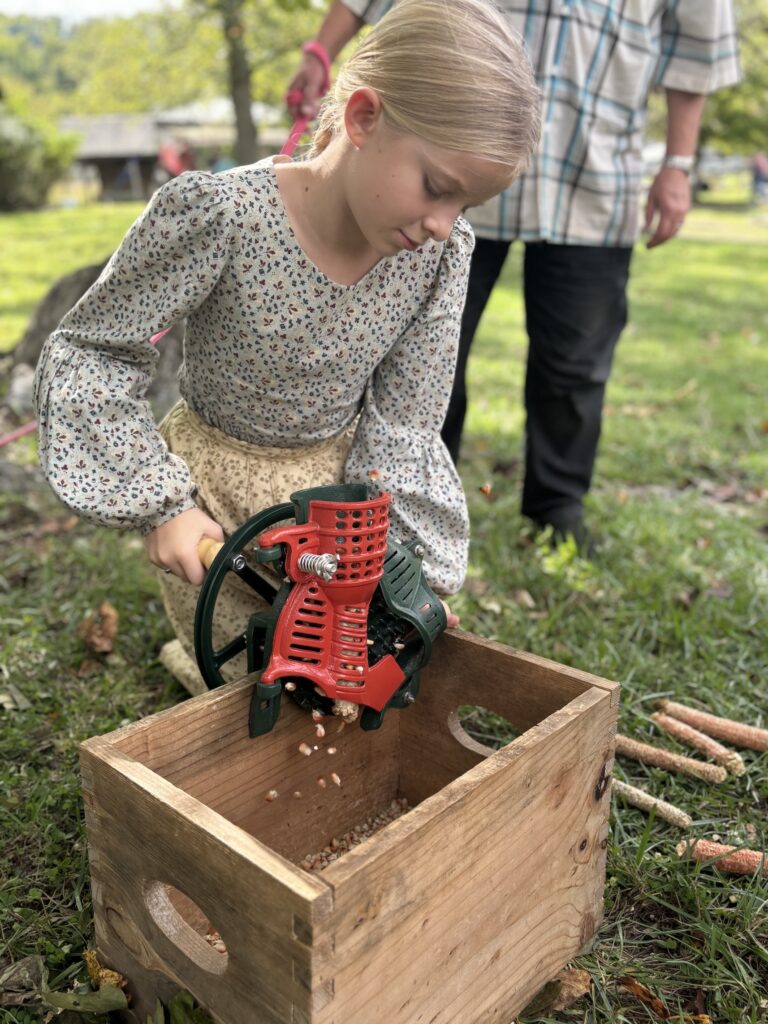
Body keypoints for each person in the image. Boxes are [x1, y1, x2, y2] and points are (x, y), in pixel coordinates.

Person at [34, 0, 540, 693]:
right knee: (252, 684)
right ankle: (197, 659)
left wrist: (403, 570)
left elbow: (405, 422)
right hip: (217, 501)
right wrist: (165, 505)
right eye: (436, 189)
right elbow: (94, 351)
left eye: (465, 207)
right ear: (363, 117)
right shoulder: (225, 217)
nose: (442, 226)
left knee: (352, 675)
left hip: (337, 508)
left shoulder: (437, 258)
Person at [289, 0, 741, 545]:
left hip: (593, 166)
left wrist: (678, 163)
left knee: (576, 359)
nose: (442, 226)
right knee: (426, 353)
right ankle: (405, 500)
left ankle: (557, 506)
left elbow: (696, 38)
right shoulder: (424, 208)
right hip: (451, 140)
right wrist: (321, 49)